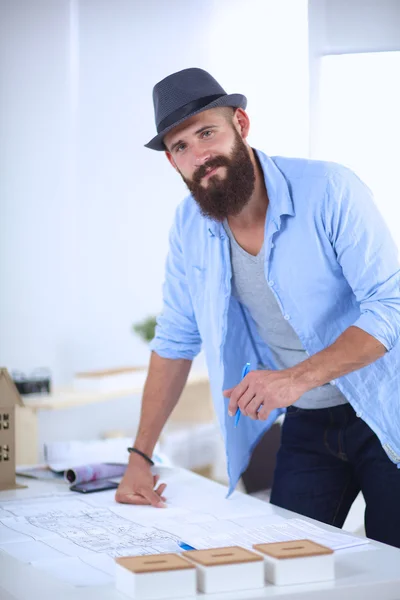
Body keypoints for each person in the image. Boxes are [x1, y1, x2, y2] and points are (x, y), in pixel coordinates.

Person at [116, 68, 400, 548]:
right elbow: (175, 338)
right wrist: (139, 458)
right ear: (173, 163)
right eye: (181, 147)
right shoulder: (189, 226)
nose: (199, 155)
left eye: (207, 132)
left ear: (241, 125)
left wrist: (293, 378)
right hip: (308, 420)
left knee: (390, 568)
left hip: (386, 409)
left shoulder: (330, 189)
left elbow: (390, 306)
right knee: (284, 562)